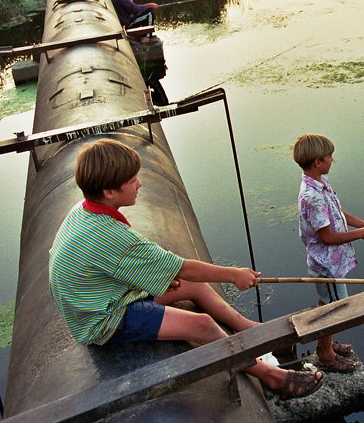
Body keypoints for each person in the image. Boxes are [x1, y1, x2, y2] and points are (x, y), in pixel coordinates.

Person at [49, 138, 323, 398]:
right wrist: (234, 275)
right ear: (109, 192)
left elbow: (111, 268)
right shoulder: (110, 235)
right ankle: (271, 376)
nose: (140, 184)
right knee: (202, 325)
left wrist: (158, 278)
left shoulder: (83, 210)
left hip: (99, 298)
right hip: (104, 319)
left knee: (193, 287)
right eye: (132, 181)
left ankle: (250, 328)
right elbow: (181, 268)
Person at [294, 134, 364, 372]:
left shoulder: (321, 183)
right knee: (335, 308)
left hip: (330, 263)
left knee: (328, 302)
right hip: (326, 266)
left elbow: (337, 213)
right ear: (318, 162)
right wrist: (360, 234)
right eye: (329, 156)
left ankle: (327, 342)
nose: (332, 159)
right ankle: (326, 355)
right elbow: (327, 237)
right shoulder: (312, 196)